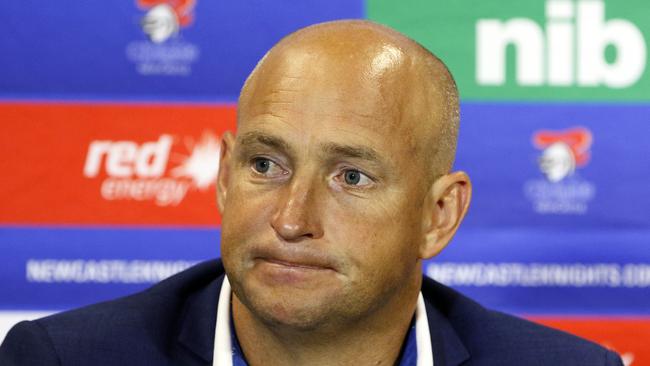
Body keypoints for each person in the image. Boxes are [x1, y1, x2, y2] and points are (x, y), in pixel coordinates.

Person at [0, 20, 623, 366]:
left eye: (351, 177)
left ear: (438, 216)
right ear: (222, 178)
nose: (291, 220)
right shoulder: (62, 360)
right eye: (266, 164)